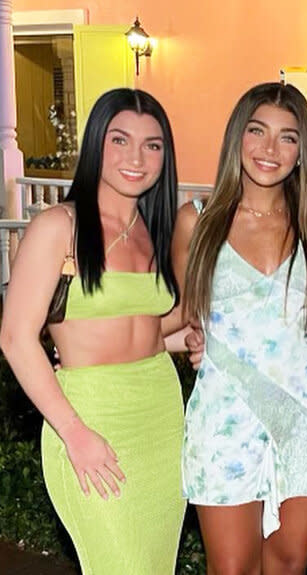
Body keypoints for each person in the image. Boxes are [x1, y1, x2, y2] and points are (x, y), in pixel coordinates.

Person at [0, 88, 186, 574]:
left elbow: (142, 327)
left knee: (156, 565)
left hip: (162, 420)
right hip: (90, 419)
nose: (136, 157)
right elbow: (16, 337)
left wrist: (185, 340)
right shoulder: (59, 226)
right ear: (95, 144)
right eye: (119, 140)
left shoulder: (154, 229)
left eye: (153, 145)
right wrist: (74, 432)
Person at [173, 82, 307, 574]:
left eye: (287, 137)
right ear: (237, 138)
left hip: (305, 415)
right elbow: (181, 314)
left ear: (302, 151)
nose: (270, 149)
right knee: (231, 567)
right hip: (227, 415)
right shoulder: (197, 221)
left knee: (289, 562)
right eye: (258, 131)